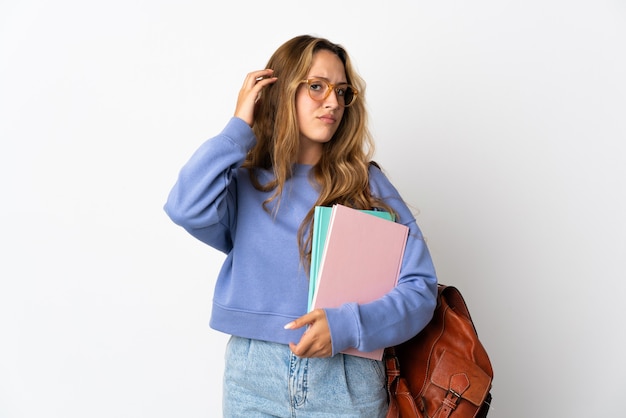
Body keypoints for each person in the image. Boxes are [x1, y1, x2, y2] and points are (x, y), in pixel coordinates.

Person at [164, 34, 438, 417]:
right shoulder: (242, 181)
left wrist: (346, 325)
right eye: (316, 86)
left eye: (342, 92)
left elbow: (420, 290)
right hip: (252, 376)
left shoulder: (365, 183)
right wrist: (239, 126)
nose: (333, 102)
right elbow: (184, 207)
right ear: (280, 91)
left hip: (345, 378)